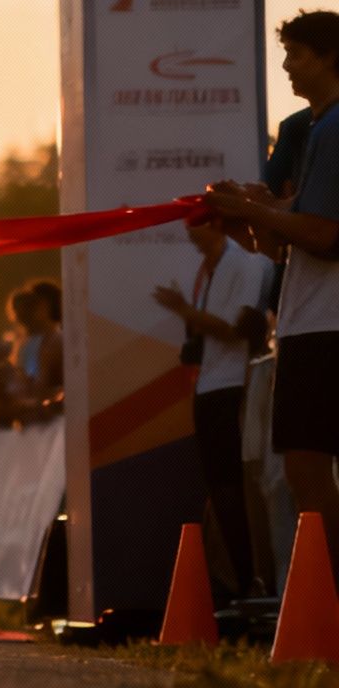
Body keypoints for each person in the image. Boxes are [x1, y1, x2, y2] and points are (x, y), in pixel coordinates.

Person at [205, 9, 339, 579]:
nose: (287, 65)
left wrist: (255, 211)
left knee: (306, 468)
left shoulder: (331, 127)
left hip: (323, 324)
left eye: (299, 54)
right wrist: (257, 210)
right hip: (313, 320)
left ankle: (327, 601)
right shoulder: (313, 127)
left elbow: (325, 234)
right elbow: (291, 231)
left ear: (331, 56)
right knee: (303, 468)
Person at [150, 216, 270, 597]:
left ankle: (251, 580)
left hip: (231, 386)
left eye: (195, 223)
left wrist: (184, 310)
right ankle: (238, 580)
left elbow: (235, 330)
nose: (188, 231)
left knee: (231, 488)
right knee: (220, 490)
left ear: (217, 225)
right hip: (211, 385)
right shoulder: (211, 269)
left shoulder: (244, 264)